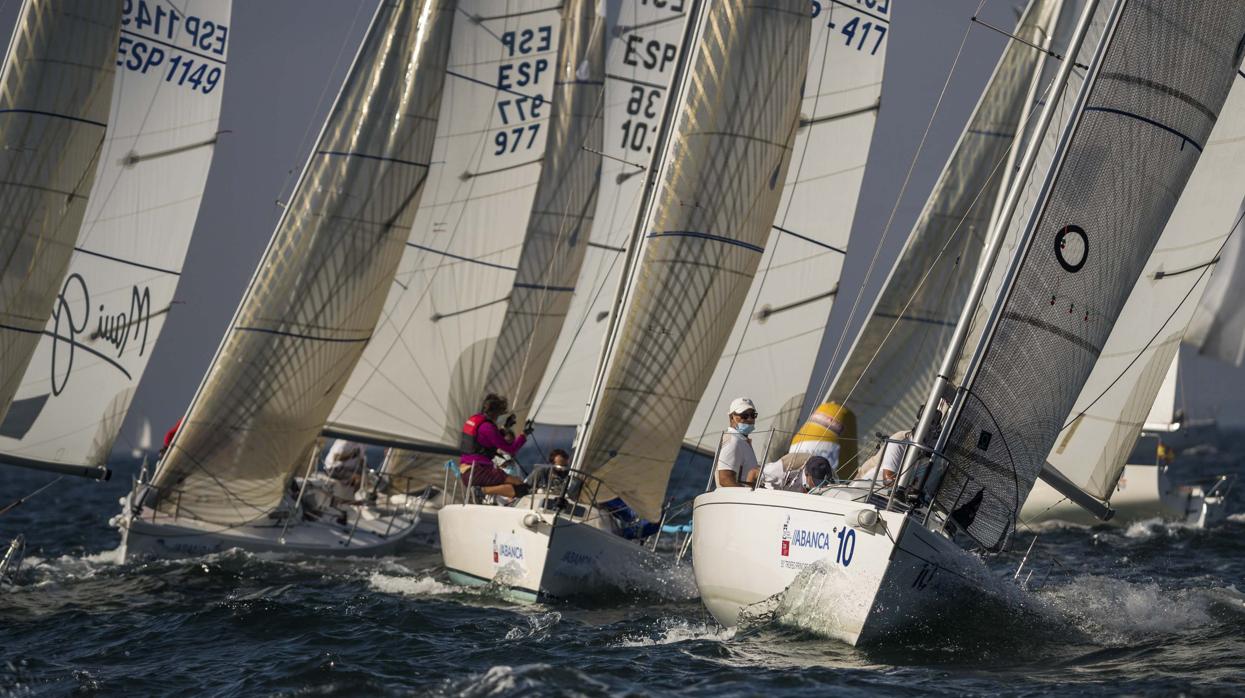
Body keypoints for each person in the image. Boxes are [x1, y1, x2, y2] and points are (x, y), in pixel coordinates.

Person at [460, 393, 532, 500]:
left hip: (467, 471)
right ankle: (480, 491)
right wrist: (524, 435)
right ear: (496, 412)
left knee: (512, 487)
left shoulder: (477, 422)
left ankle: (480, 491)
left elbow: (488, 440)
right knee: (521, 485)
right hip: (477, 472)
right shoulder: (488, 427)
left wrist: (505, 428)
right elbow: (510, 449)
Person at [714, 397, 759, 488]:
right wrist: (747, 498)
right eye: (744, 415)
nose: (750, 419)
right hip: (735, 500)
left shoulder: (741, 440)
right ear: (731, 417)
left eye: (753, 415)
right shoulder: (733, 440)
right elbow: (725, 479)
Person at [753, 453, 834, 493]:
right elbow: (753, 473)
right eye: (816, 481)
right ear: (807, 473)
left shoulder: (828, 472)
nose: (818, 486)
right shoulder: (782, 469)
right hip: (770, 495)